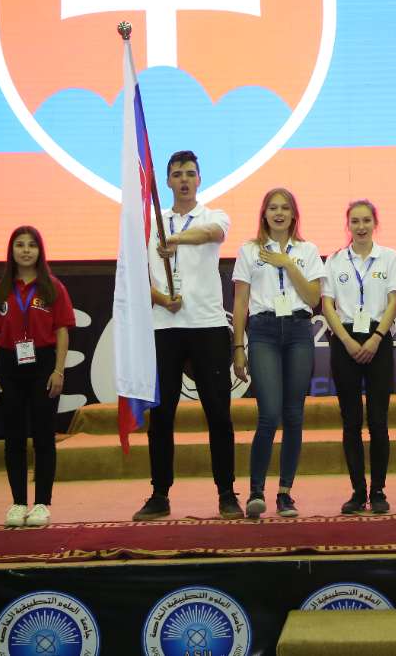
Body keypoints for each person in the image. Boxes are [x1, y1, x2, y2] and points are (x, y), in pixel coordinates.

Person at [133, 150, 243, 521]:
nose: (184, 179)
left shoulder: (214, 216)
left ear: (199, 179)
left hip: (208, 326)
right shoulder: (152, 223)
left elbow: (213, 234)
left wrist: (177, 239)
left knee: (218, 414)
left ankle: (227, 493)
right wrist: (163, 299)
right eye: (177, 174)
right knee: (162, 416)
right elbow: (137, 275)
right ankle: (159, 494)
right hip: (164, 326)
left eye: (190, 173)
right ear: (167, 181)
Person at [232, 188, 326, 518]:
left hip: (299, 331)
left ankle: (285, 493)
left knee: (294, 415)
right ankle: (256, 492)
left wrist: (288, 264)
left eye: (285, 208)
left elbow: (313, 298)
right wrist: (238, 347)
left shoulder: (307, 250)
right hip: (264, 331)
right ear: (264, 214)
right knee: (269, 414)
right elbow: (241, 302)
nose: (279, 213)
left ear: (294, 214)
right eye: (273, 208)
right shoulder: (249, 250)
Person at [0, 226, 74, 527]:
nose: (25, 250)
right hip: (9, 367)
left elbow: (62, 332)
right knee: (14, 438)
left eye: (31, 245)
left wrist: (58, 370)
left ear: (40, 251)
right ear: (11, 251)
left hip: (43, 365)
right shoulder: (0, 290)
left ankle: (42, 503)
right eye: (19, 245)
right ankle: (18, 502)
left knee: (44, 436)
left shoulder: (53, 288)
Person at [322, 200, 396, 514]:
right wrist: (346, 341)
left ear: (375, 223)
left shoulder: (390, 257)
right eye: (355, 221)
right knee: (351, 421)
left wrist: (377, 338)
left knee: (378, 421)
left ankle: (378, 491)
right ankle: (357, 492)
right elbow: (327, 305)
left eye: (366, 220)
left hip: (378, 340)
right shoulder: (335, 260)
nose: (361, 226)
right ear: (348, 225)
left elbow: (394, 301)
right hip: (345, 341)